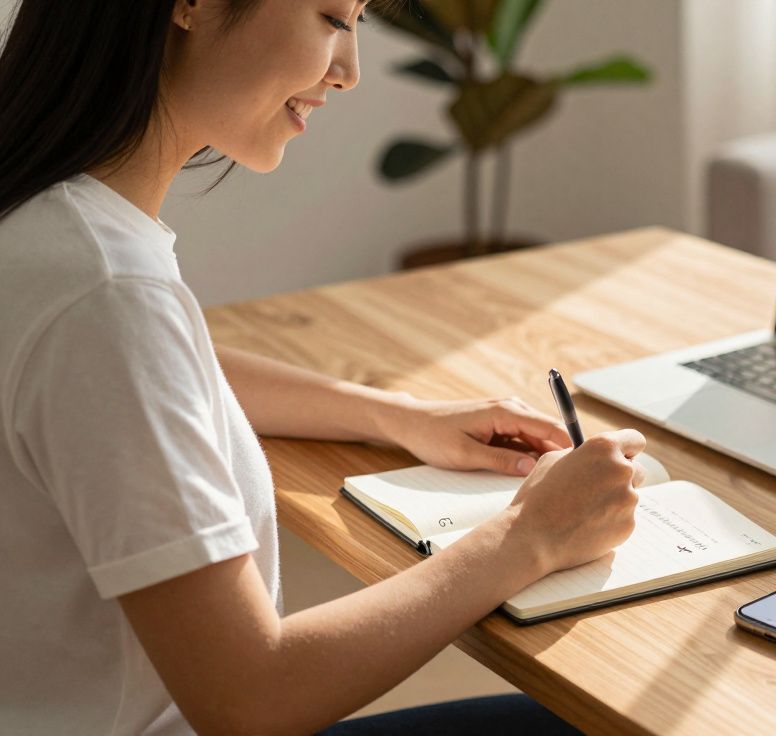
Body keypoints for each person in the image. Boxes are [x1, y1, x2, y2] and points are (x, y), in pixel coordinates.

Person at [0, 1, 646, 733]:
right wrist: (530, 534)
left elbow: (156, 374)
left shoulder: (45, 224)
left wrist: (397, 416)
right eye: (332, 17)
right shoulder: (105, 296)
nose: (348, 73)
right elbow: (250, 697)